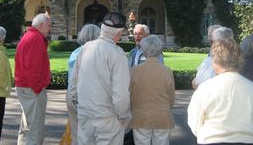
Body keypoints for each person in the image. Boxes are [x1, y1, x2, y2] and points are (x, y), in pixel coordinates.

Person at [187, 27, 253, 145]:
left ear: (215, 61)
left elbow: (194, 121)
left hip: (212, 140)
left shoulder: (205, 88)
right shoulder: (252, 88)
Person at [68, 12, 131, 145]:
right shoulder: (117, 54)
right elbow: (121, 93)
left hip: (85, 113)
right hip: (107, 118)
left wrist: (77, 104)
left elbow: (73, 82)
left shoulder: (85, 48)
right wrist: (124, 115)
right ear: (118, 33)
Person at [129, 35, 175, 144]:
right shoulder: (167, 71)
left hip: (140, 117)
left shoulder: (134, 71)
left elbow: (129, 94)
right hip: (162, 117)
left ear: (143, 50)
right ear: (159, 51)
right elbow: (171, 99)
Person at [15, 13, 52, 145]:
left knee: (27, 127)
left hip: (26, 87)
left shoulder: (30, 36)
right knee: (35, 129)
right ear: (41, 25)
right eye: (49, 25)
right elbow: (32, 67)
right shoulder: (35, 38)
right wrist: (37, 88)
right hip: (31, 89)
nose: (50, 28)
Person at [64, 24, 101, 145]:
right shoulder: (93, 54)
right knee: (89, 136)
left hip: (72, 96)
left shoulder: (75, 52)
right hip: (85, 99)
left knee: (76, 135)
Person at [191, 24, 221, 89]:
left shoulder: (224, 52)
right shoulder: (211, 51)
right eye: (209, 36)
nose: (210, 38)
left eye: (212, 35)